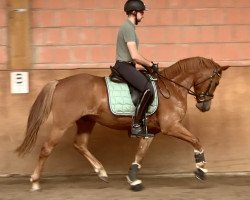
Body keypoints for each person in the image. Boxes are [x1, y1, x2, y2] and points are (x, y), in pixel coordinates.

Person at [113, 0, 159, 138]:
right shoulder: (127, 28)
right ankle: (136, 125)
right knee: (148, 89)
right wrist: (150, 64)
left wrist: (146, 66)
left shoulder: (130, 28)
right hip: (123, 66)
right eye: (142, 12)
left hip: (128, 65)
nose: (143, 15)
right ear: (134, 12)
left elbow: (134, 58)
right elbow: (134, 55)